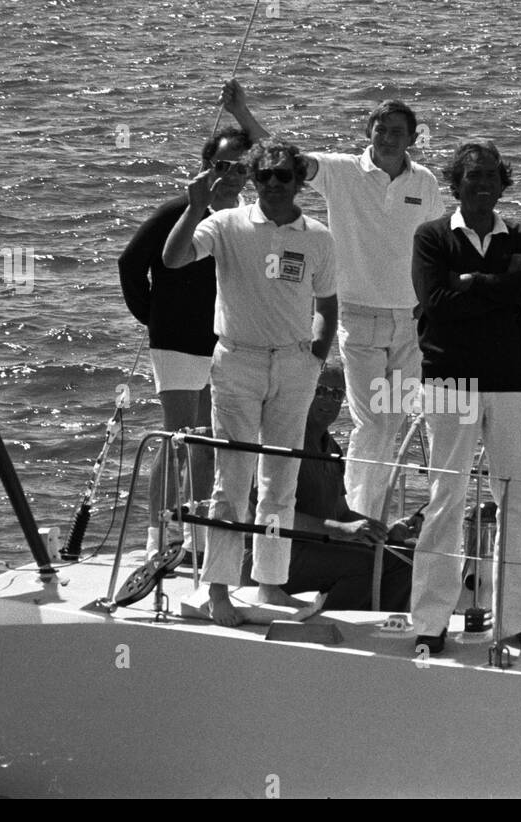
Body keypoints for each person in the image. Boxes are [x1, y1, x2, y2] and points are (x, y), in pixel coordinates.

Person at [230, 86, 447, 520]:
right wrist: (241, 111)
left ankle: (362, 514)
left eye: (397, 132)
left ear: (413, 138)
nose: (387, 138)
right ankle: (361, 519)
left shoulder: (424, 182)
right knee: (372, 423)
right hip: (358, 318)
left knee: (392, 421)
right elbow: (281, 158)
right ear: (369, 131)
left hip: (410, 321)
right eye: (381, 129)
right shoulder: (341, 171)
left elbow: (440, 246)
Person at [163, 138, 337, 627]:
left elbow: (327, 302)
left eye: (285, 176)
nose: (276, 185)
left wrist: (315, 356)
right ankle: (219, 589)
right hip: (237, 361)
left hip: (294, 365)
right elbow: (173, 259)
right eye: (266, 176)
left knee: (281, 480)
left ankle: (271, 584)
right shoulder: (226, 224)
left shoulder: (319, 237)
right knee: (231, 481)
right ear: (254, 180)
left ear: (300, 181)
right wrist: (195, 205)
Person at [408, 140, 521, 654]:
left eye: (491, 176)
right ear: (456, 184)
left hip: (509, 381)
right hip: (450, 381)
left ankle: (515, 618)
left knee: (518, 499)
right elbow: (436, 303)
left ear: (503, 182)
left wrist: (474, 282)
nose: (483, 185)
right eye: (472, 177)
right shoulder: (432, 237)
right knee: (446, 499)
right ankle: (429, 619)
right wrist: (499, 288)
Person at [119, 119, 257, 560]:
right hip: (177, 342)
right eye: (222, 166)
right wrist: (153, 315)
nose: (230, 176)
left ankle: (196, 530)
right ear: (204, 167)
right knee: (176, 437)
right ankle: (158, 533)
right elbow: (129, 264)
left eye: (240, 169)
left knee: (209, 440)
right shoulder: (175, 213)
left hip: (224, 342)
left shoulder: (245, 219)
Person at [241, 360, 419, 611]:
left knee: (407, 554)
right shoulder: (284, 439)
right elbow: (270, 515)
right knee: (365, 563)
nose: (329, 400)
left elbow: (342, 513)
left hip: (316, 547)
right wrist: (342, 530)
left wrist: (385, 531)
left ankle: (386, 624)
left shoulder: (332, 449)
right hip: (271, 554)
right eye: (321, 390)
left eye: (337, 394)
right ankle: (337, 625)